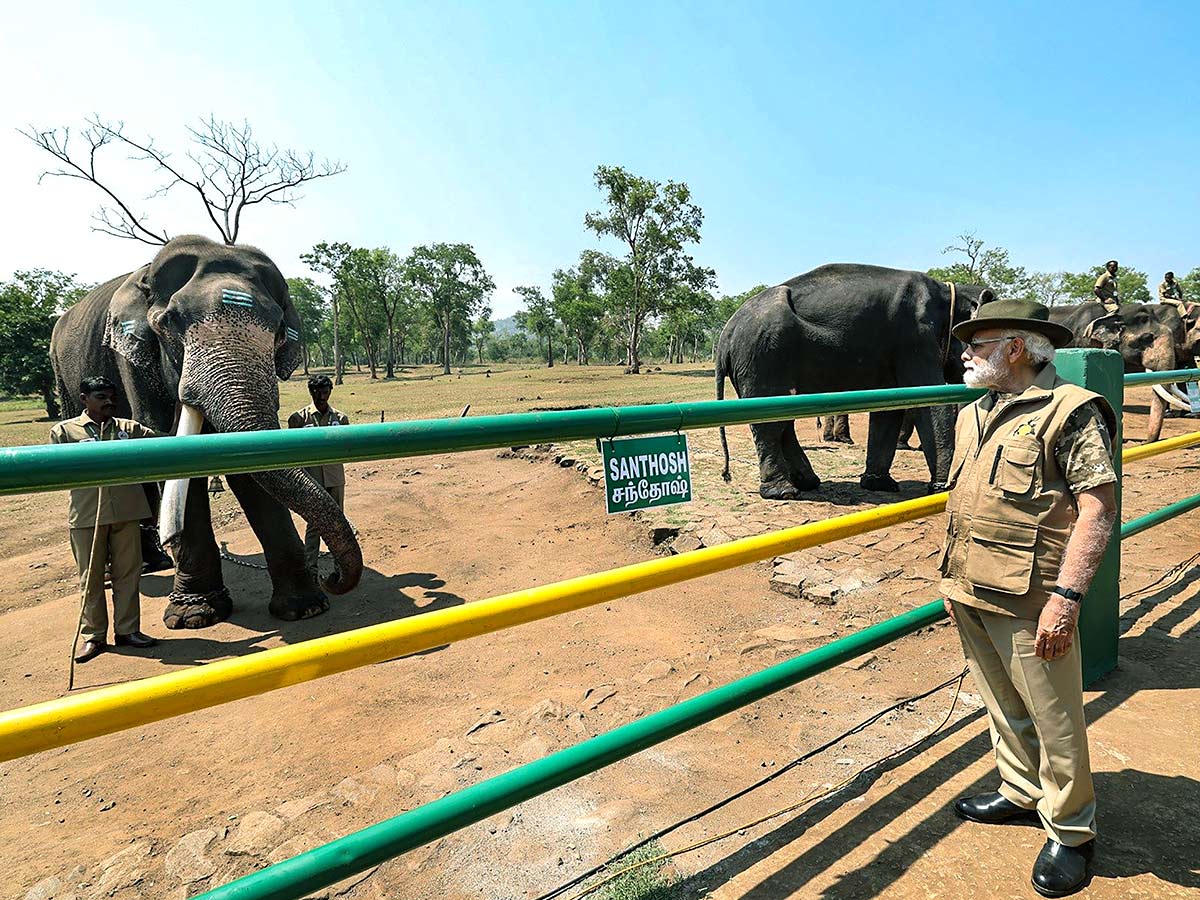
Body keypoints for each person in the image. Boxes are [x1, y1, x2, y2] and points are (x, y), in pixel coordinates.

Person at [939, 299, 1118, 897]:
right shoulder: (974, 414)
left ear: (1015, 348)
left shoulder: (1070, 412)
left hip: (1031, 595)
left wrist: (1066, 599)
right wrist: (952, 581)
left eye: (977, 343)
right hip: (969, 584)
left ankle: (1071, 831)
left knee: (1056, 715)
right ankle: (1020, 789)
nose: (964, 352)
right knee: (999, 701)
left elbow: (1097, 510)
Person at [50, 377, 161, 663]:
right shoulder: (64, 432)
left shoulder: (129, 429)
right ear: (84, 398)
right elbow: (56, 471)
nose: (109, 401)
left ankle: (128, 631)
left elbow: (165, 443)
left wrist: (178, 416)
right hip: (88, 516)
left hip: (127, 513)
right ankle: (93, 637)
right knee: (91, 578)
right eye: (101, 396)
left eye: (112, 396)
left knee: (128, 574)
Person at [287, 375, 350, 578]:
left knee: (338, 523)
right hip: (312, 481)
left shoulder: (340, 419)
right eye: (316, 391)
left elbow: (347, 447)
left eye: (325, 391)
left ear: (330, 391)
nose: (321, 396)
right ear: (310, 392)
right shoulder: (299, 419)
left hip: (334, 478)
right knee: (314, 524)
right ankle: (310, 570)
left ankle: (339, 568)